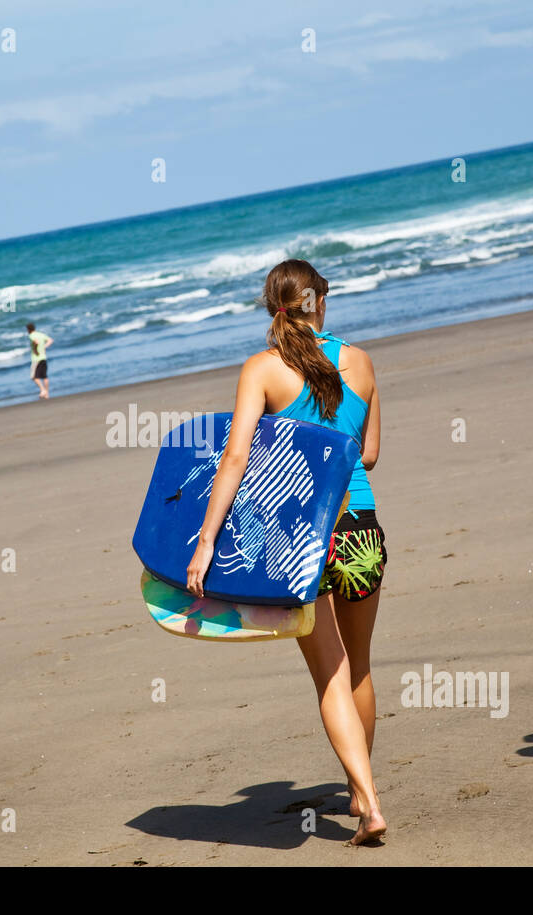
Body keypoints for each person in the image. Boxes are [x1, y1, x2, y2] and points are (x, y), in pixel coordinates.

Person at [185, 259, 388, 845]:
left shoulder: (262, 370)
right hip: (362, 530)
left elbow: (236, 460)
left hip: (305, 540)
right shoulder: (362, 361)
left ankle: (369, 802)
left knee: (330, 672)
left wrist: (205, 544)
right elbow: (368, 453)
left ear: (272, 306)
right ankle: (357, 791)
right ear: (319, 300)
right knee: (361, 665)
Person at [27, 322, 53, 399]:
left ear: (28, 329)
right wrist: (44, 347)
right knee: (44, 376)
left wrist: (35, 349)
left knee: (33, 376)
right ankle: (47, 393)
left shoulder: (31, 335)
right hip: (43, 357)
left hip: (36, 358)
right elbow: (50, 340)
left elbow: (36, 342)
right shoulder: (40, 334)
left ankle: (42, 390)